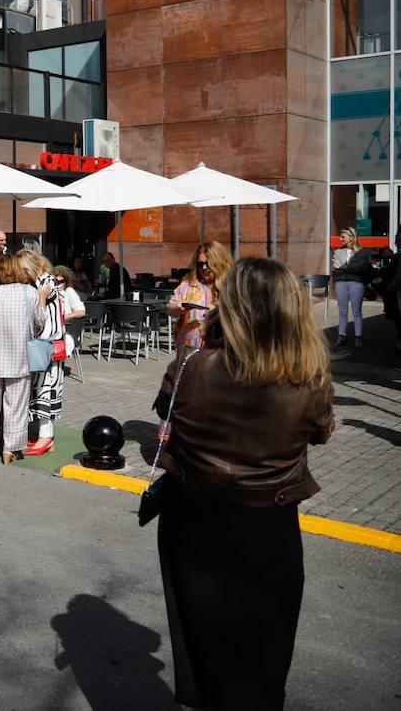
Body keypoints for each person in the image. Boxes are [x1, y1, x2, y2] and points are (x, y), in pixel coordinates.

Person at [153, 257, 334, 709]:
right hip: (268, 523)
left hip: (194, 515)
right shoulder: (307, 376)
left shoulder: (193, 365)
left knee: (202, 637)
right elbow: (321, 432)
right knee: (264, 651)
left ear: (229, 306)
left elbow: (165, 411)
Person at [0, 253, 49, 463]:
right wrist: (42, 299)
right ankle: (10, 448)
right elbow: (40, 323)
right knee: (16, 405)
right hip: (19, 356)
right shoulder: (29, 292)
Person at [14, 249, 65, 457]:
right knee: (41, 388)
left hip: (47, 345)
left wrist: (40, 299)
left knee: (45, 388)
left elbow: (40, 316)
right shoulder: (45, 280)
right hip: (47, 345)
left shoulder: (45, 284)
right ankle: (45, 437)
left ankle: (45, 437)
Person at [167, 242, 233, 352]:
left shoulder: (231, 286)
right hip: (188, 351)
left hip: (219, 352)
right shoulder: (189, 284)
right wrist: (179, 307)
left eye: (208, 263)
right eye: (200, 264)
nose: (204, 267)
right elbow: (170, 309)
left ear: (219, 262)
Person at [332, 226, 370, 349]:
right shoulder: (338, 252)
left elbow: (358, 268)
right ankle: (341, 336)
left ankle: (358, 338)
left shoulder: (362, 252)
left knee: (356, 311)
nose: (340, 239)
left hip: (356, 283)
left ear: (352, 237)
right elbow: (335, 269)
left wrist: (343, 267)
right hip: (341, 283)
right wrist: (347, 268)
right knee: (342, 311)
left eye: (343, 237)